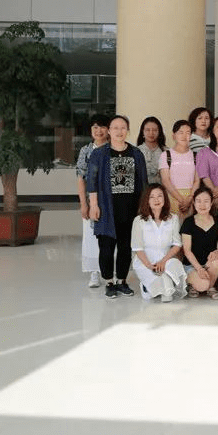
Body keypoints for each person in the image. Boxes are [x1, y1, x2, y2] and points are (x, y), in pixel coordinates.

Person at [87, 115, 148, 299]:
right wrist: (93, 205)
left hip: (129, 207)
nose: (119, 131)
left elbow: (143, 183)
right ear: (109, 131)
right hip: (106, 207)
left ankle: (122, 280)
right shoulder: (99, 154)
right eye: (115, 128)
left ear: (127, 130)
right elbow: (92, 181)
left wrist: (142, 208)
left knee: (125, 246)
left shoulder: (136, 153)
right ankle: (108, 282)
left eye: (123, 128)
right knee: (106, 246)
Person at [130, 183, 186, 302]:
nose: (156, 200)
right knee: (154, 294)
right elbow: (137, 248)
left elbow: (177, 244)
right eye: (152, 197)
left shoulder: (173, 219)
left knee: (167, 296)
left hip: (166, 260)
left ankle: (165, 280)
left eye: (160, 196)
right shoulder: (139, 221)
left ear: (165, 198)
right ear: (147, 200)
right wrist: (149, 265)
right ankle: (147, 285)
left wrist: (163, 261)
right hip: (145, 262)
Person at [76, 113, 109, 288]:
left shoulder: (114, 148)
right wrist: (84, 204)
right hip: (91, 199)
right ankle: (94, 272)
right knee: (91, 236)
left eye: (102, 126)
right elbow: (80, 177)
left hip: (110, 199)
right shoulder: (85, 151)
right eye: (95, 127)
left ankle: (111, 271)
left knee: (111, 236)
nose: (99, 130)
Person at [180, 186, 218, 299]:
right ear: (194, 203)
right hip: (192, 265)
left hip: (209, 264)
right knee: (202, 285)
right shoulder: (188, 222)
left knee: (217, 260)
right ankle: (195, 285)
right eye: (198, 201)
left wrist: (217, 252)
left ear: (211, 203)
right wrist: (199, 268)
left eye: (206, 201)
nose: (202, 205)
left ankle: (210, 287)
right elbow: (187, 250)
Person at [159, 119, 201, 219]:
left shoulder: (195, 156)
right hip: (171, 197)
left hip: (191, 198)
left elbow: (197, 180)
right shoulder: (166, 155)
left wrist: (189, 199)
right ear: (173, 135)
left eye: (188, 133)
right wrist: (181, 200)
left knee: (188, 231)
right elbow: (165, 181)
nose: (184, 136)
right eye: (180, 132)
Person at [135, 116, 166, 184]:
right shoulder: (136, 151)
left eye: (154, 130)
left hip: (161, 192)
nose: (151, 133)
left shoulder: (166, 152)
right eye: (147, 130)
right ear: (142, 132)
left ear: (159, 132)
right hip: (142, 192)